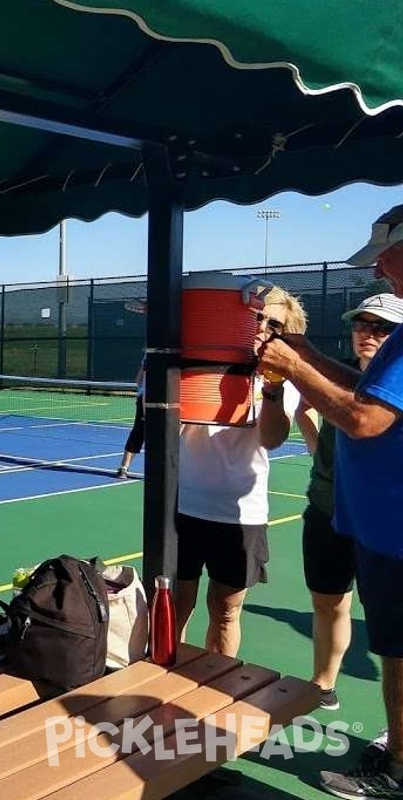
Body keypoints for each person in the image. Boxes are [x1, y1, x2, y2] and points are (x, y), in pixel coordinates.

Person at [258, 204, 403, 800]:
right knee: (393, 647)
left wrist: (292, 363)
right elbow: (363, 388)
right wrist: (303, 353)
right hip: (382, 528)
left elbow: (366, 419)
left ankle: (397, 772)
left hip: (396, 532)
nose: (381, 274)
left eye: (387, 262)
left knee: (398, 651)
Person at [174, 286, 306, 659]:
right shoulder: (196, 362)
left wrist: (272, 387)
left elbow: (272, 438)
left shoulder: (280, 381)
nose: (261, 327)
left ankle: (216, 691)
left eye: (273, 323)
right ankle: (164, 680)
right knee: (175, 604)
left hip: (240, 515)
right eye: (256, 318)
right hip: (184, 504)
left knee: (226, 612)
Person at [294, 293, 403, 714]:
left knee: (393, 638)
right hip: (336, 509)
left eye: (382, 327)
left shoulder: (388, 378)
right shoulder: (352, 376)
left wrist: (295, 366)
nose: (368, 334)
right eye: (362, 325)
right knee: (333, 604)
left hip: (384, 522)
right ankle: (324, 685)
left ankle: (396, 753)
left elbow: (362, 420)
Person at [116, 354, 147, 479]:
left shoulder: (148, 355)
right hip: (149, 399)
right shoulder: (149, 356)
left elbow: (138, 380)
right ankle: (123, 468)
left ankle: (123, 468)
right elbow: (140, 379)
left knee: (138, 433)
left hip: (151, 399)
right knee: (138, 433)